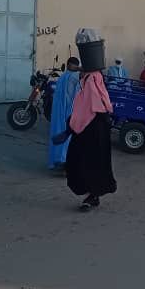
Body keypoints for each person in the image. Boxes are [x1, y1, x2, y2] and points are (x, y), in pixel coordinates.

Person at [63, 68, 117, 211]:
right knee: (79, 164)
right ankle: (92, 195)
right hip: (85, 140)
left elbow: (84, 118)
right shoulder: (84, 98)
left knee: (91, 166)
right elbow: (78, 117)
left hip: (93, 143)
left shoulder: (99, 108)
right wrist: (69, 129)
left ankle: (92, 196)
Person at [48, 57, 80, 171]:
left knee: (61, 134)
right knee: (66, 136)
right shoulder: (72, 77)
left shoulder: (65, 77)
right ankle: (62, 161)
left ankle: (59, 160)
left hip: (62, 112)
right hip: (67, 112)